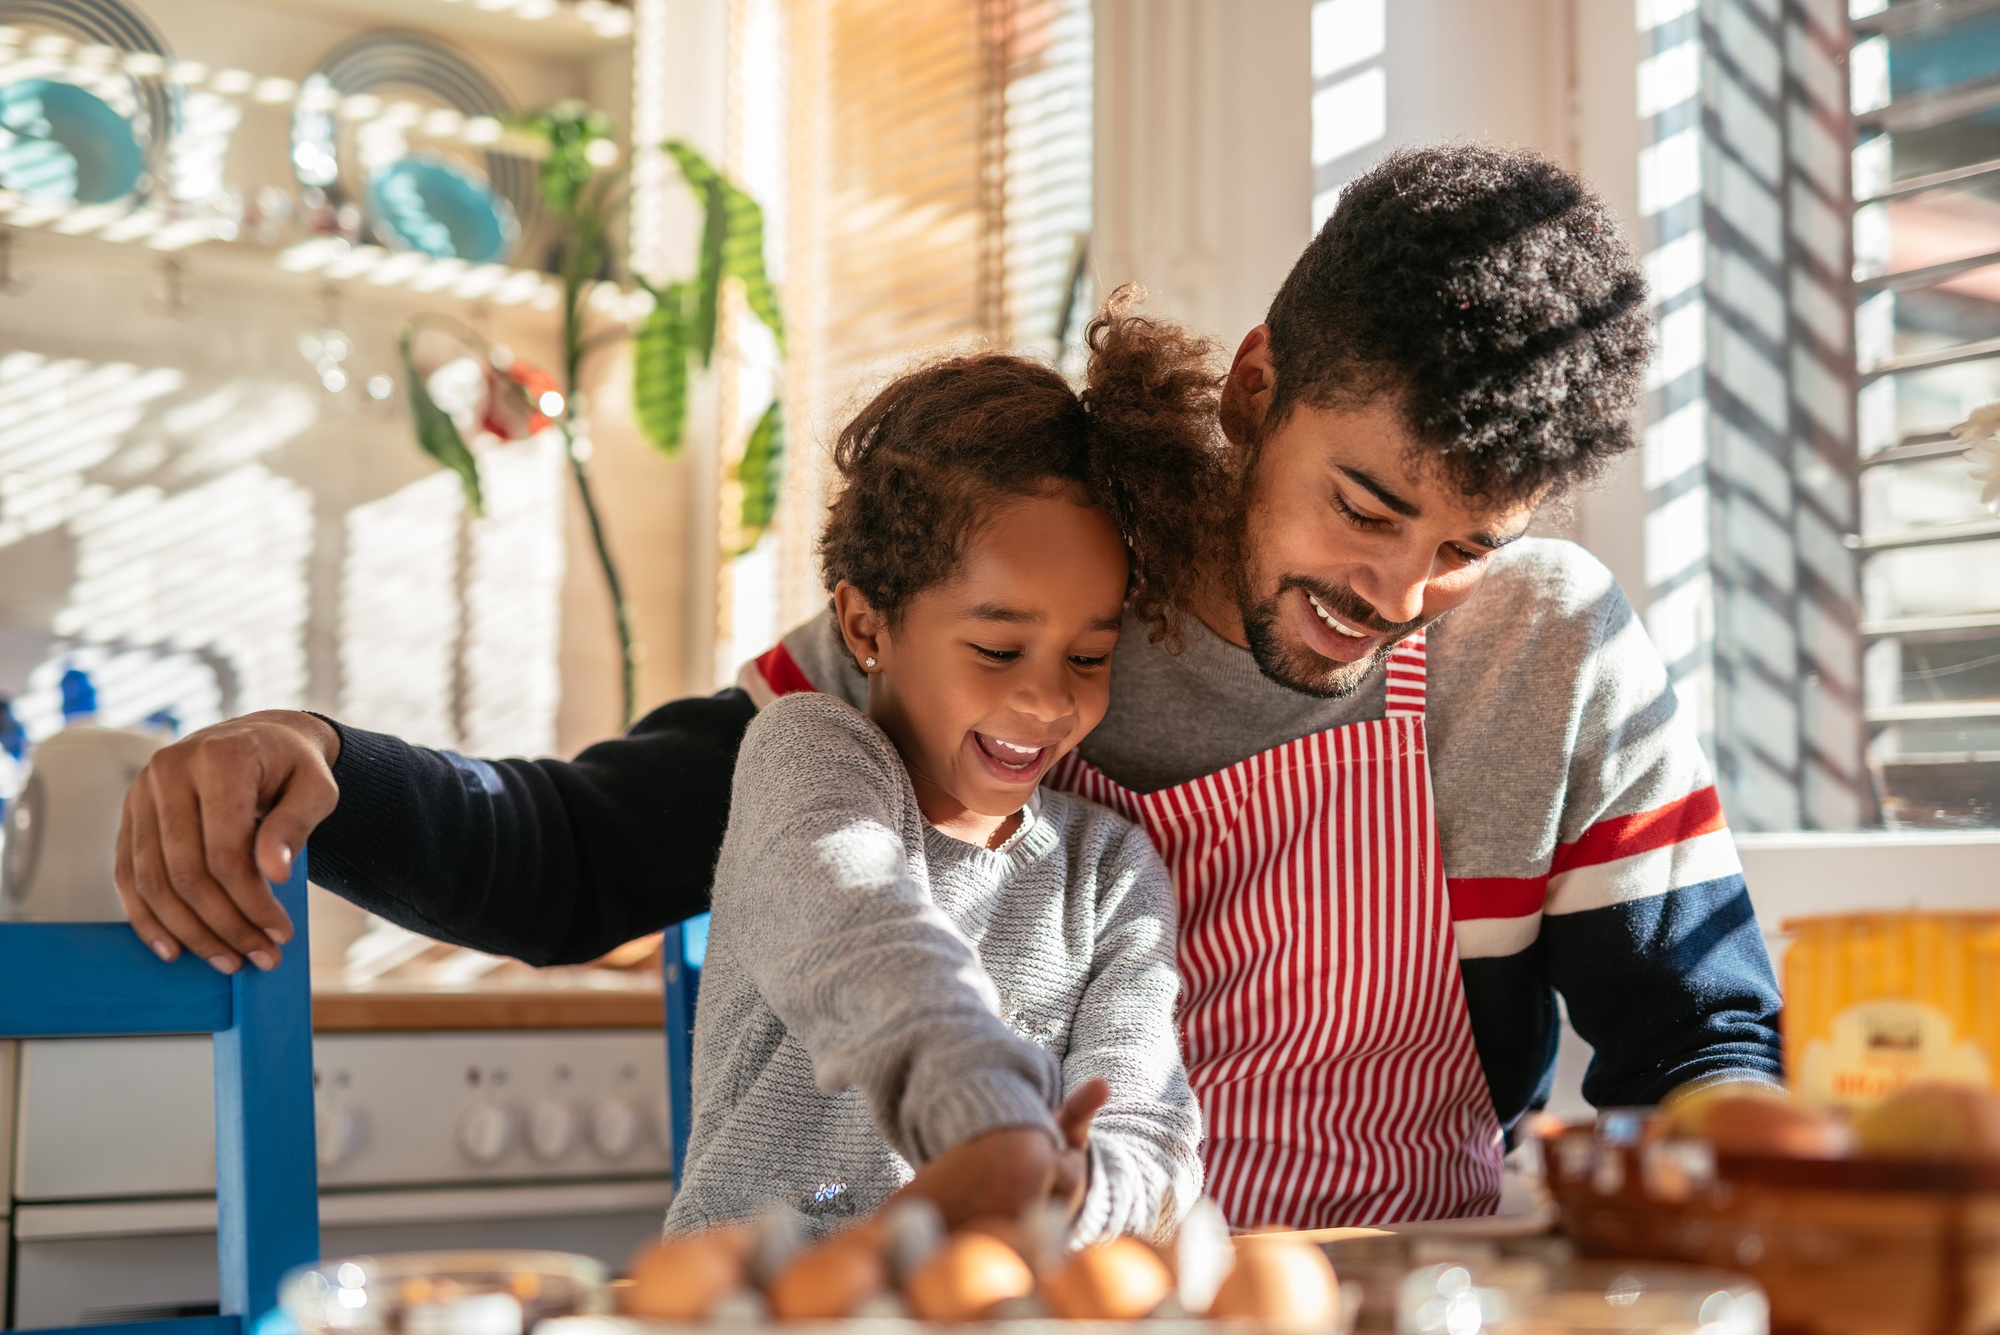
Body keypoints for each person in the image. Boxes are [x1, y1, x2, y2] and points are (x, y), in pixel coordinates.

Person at [115, 145, 1783, 1229]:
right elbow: (579, 854)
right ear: (1260, 385)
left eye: (1466, 548)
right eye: (1366, 506)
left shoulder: (1555, 651)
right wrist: (315, 754)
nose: (1397, 600)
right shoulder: (1016, 611)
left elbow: (1702, 1042)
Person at [667, 299, 1208, 1241]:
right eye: (998, 650)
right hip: (765, 1302)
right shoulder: (806, 757)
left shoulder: (1111, 872)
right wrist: (991, 1121)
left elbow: (1149, 1120)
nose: (1049, 703)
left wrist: (1079, 1189)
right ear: (867, 625)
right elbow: (873, 944)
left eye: (1088, 657)